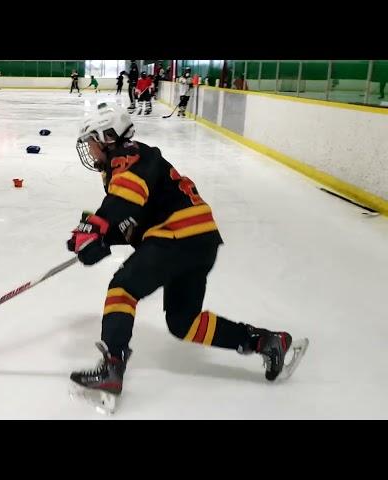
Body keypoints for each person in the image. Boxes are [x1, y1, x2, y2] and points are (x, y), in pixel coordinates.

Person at [67, 103, 308, 411]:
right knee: (184, 322)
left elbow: (125, 200)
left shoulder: (129, 157)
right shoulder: (129, 164)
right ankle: (265, 342)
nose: (89, 150)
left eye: (91, 142)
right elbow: (131, 218)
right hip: (199, 240)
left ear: (107, 137)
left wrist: (96, 225)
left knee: (123, 289)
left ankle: (112, 367)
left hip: (177, 235)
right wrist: (100, 239)